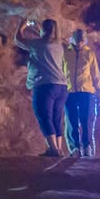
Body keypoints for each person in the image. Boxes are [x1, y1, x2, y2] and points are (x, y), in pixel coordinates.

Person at [14, 17, 68, 157]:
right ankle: (58, 149)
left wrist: (22, 24)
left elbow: (18, 39)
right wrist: (40, 30)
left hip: (45, 85)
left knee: (44, 116)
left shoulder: (37, 44)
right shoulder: (59, 46)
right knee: (56, 118)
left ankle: (53, 150)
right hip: (61, 86)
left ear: (43, 29)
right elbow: (47, 40)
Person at [62, 28, 100, 157]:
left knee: (86, 121)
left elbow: (95, 73)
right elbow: (60, 71)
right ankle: (75, 148)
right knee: (72, 121)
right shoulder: (65, 53)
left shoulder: (89, 54)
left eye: (82, 38)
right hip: (70, 92)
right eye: (77, 37)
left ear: (85, 39)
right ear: (72, 38)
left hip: (86, 92)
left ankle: (86, 147)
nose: (80, 40)